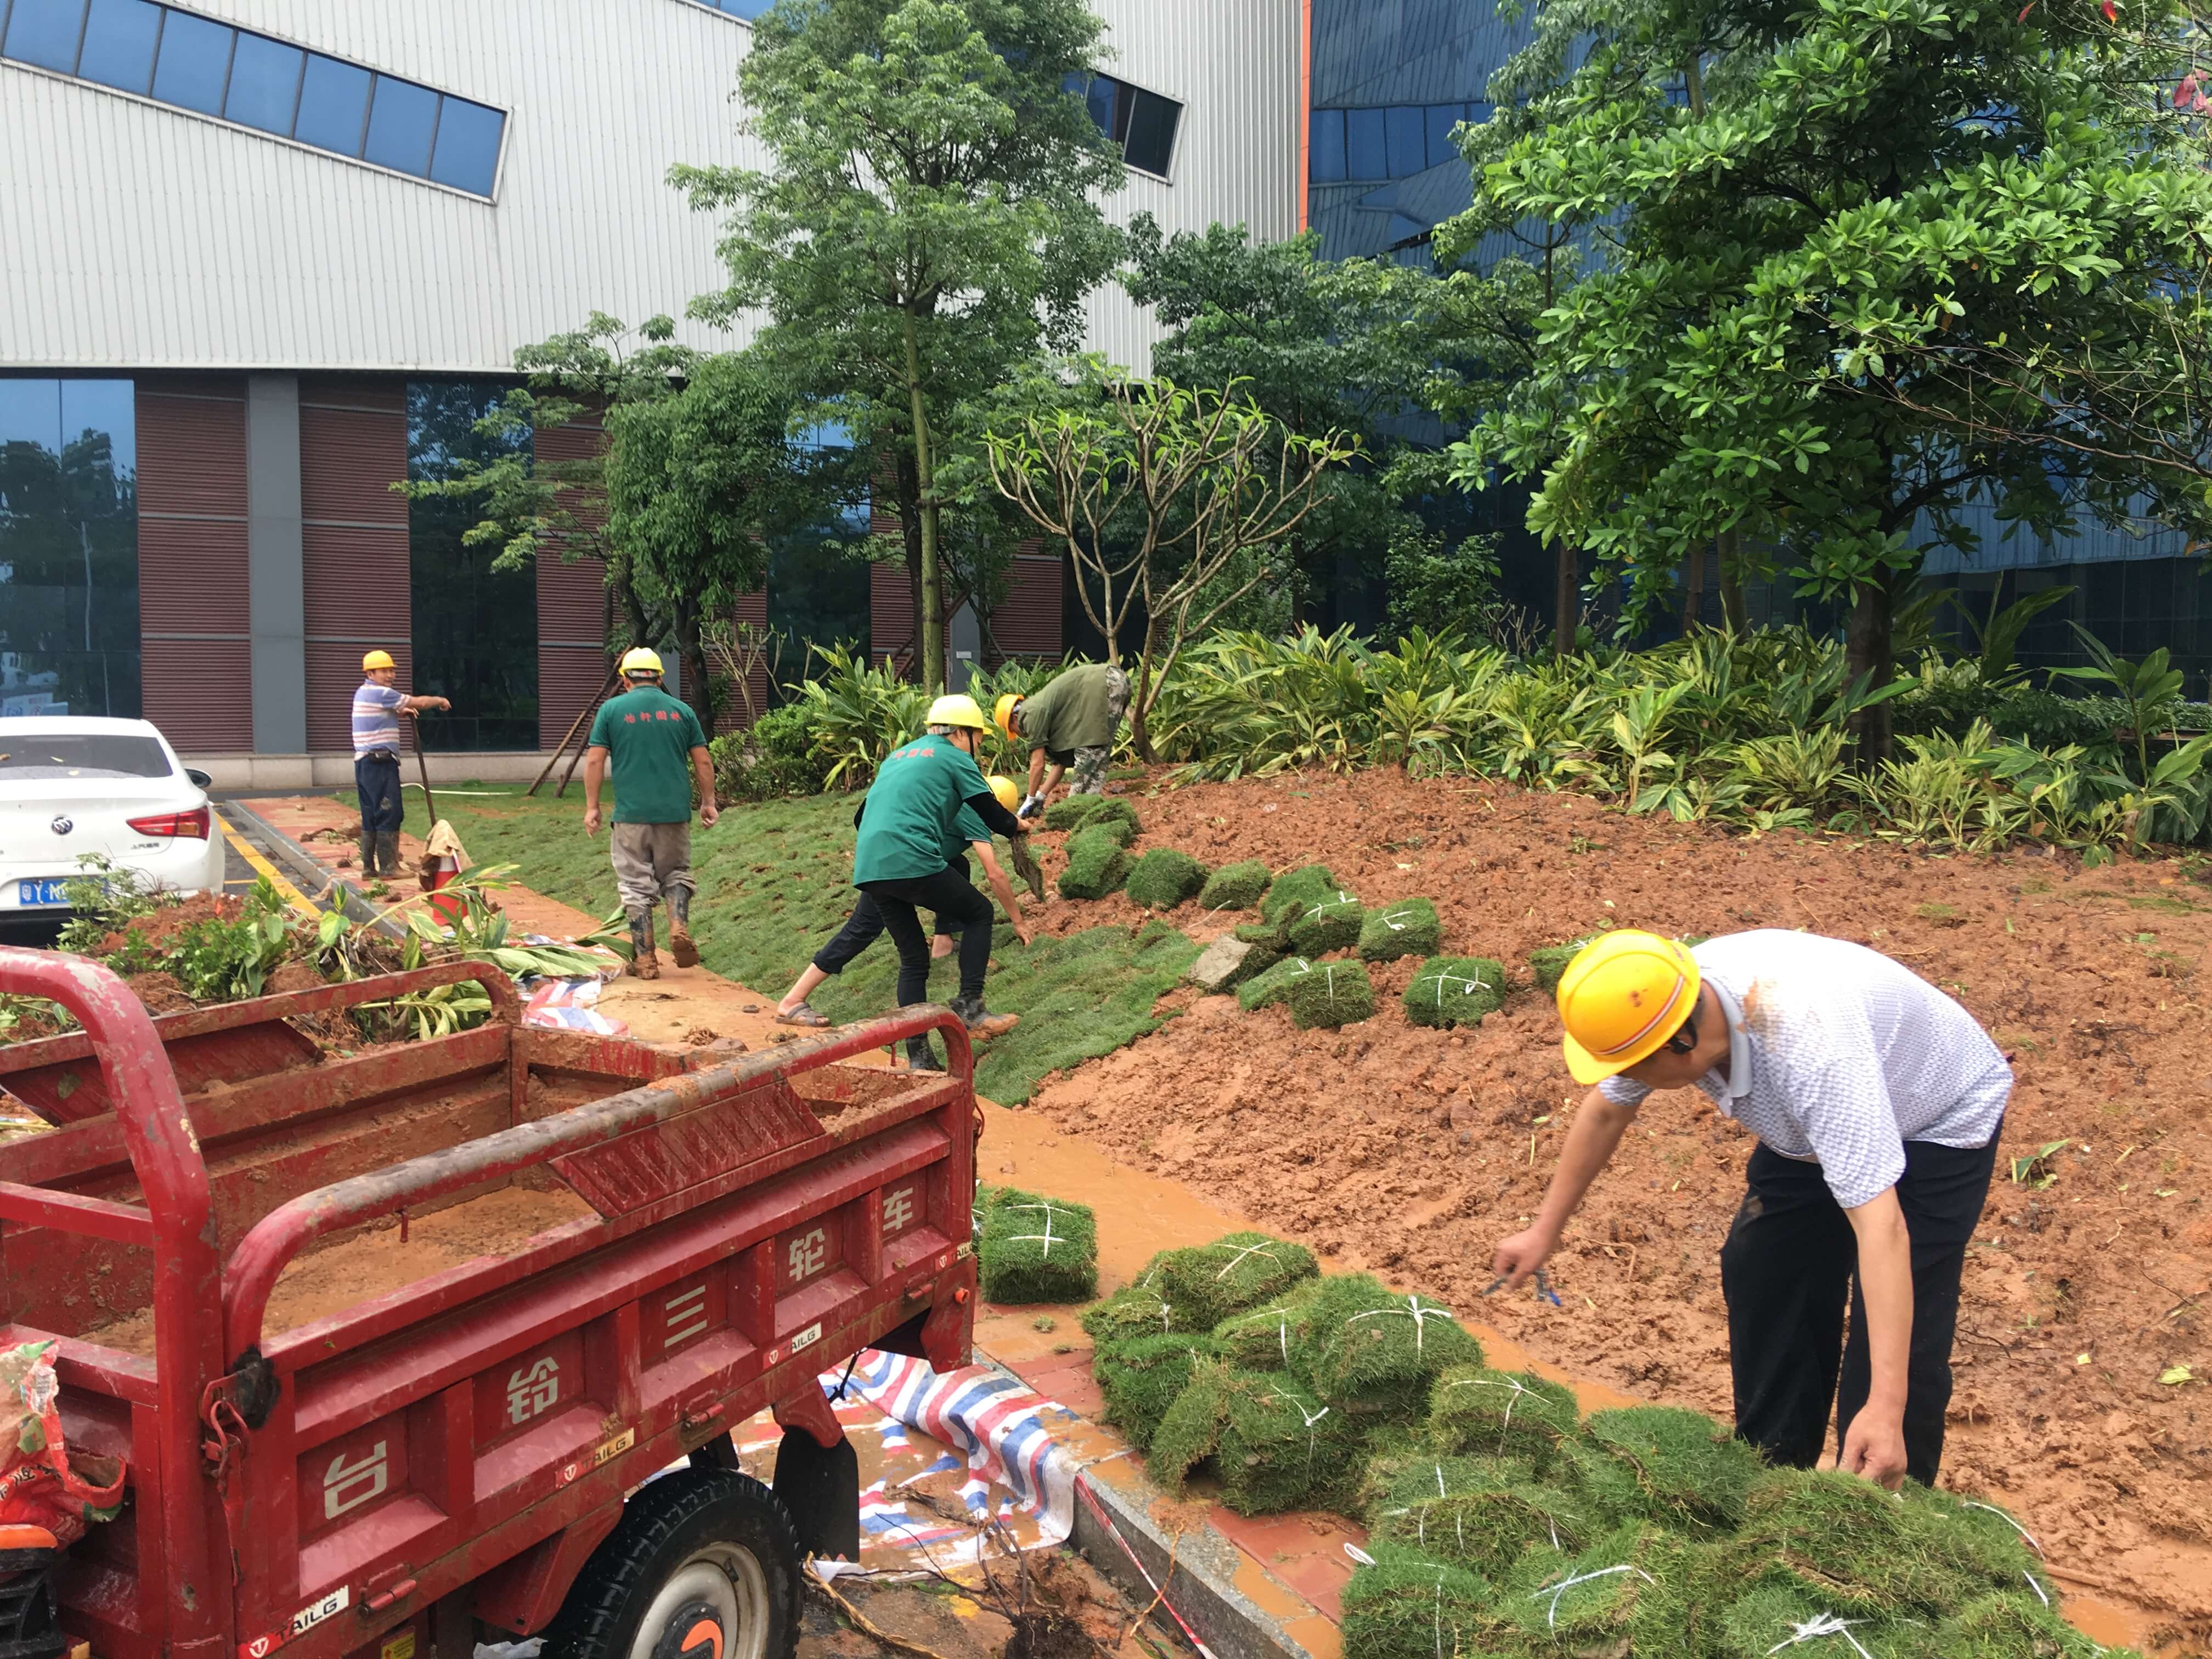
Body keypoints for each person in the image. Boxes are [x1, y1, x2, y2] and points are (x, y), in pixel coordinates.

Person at [1492, 928, 2011, 1492]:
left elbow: (1882, 1229)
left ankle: (1886, 1500)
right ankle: (1773, 1474)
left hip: (1935, 1116)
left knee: (1890, 1346)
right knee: (1764, 1267)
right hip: (1812, 1126)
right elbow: (1604, 1114)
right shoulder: (1664, 999)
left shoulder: (1808, 1048)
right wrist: (1546, 1230)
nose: (1626, 1078)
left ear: (1680, 1044)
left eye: (1633, 1066)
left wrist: (1885, 1410)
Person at [776, 776, 1035, 1044]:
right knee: (862, 928)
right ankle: (792, 1000)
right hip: (895, 868)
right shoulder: (974, 815)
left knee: (958, 865)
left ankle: (943, 942)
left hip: (892, 857)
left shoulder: (955, 799)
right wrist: (1018, 920)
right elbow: (995, 874)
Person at [850, 696, 1033, 1068]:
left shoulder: (897, 757)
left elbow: (860, 816)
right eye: (978, 741)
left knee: (914, 959)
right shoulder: (954, 757)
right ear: (963, 733)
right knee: (979, 912)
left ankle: (919, 1058)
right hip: (912, 857)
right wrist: (1018, 825)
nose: (977, 750)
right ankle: (971, 1006)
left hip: (870, 865)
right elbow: (989, 811)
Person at [582, 647, 718, 981]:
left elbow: (595, 761)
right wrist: (708, 801)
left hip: (630, 816)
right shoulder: (681, 711)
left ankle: (645, 960)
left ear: (625, 679)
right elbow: (703, 761)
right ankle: (678, 924)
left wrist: (592, 807)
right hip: (674, 814)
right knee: (676, 874)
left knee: (634, 885)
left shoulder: (612, 710)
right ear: (659, 678)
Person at [352, 649, 450, 879]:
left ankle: (369, 868)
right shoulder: (381, 693)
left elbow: (383, 711)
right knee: (390, 811)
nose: (390, 675)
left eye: (392, 670)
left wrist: (400, 710)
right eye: (385, 671)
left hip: (365, 763)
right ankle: (389, 868)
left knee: (371, 814)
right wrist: (440, 701)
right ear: (371, 673)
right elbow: (420, 701)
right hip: (380, 763)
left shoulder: (364, 693)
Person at [994, 660, 1128, 817]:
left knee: (1091, 749)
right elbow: (1060, 764)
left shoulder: (1029, 716)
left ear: (1015, 718)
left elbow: (1037, 764)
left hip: (1106, 683)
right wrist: (1040, 796)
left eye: (1012, 730)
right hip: (1115, 680)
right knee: (1094, 749)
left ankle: (1084, 818)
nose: (1017, 734)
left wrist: (1029, 799)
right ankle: (1086, 811)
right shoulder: (1042, 710)